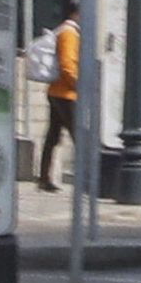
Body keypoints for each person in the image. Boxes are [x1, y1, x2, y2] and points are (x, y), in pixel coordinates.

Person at [33, 14, 80, 189]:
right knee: (80, 136)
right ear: (76, 15)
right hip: (66, 94)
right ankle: (87, 179)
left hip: (57, 91)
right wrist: (77, 84)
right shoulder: (69, 33)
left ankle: (44, 178)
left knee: (52, 136)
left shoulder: (63, 31)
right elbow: (67, 63)